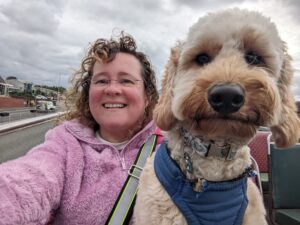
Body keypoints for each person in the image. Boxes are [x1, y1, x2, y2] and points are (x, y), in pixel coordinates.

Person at [0, 32, 159, 225]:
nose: (112, 89)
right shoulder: (64, 144)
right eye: (101, 81)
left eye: (126, 80)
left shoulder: (172, 149)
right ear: (88, 93)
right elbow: (26, 181)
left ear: (148, 96)